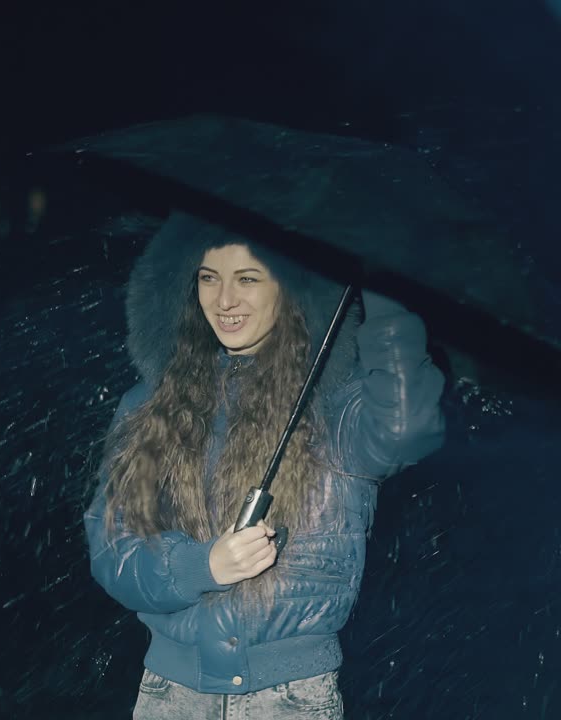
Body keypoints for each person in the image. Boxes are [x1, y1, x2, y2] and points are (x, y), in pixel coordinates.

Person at [84, 210, 446, 719]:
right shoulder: (149, 405)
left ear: (289, 287)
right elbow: (113, 551)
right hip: (171, 697)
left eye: (248, 278)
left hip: (291, 699)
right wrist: (201, 565)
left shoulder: (334, 403)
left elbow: (409, 427)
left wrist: (385, 285)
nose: (225, 300)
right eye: (209, 278)